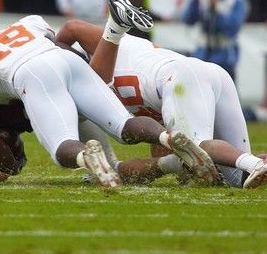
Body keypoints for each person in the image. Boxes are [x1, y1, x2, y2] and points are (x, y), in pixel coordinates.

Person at [0, 7, 221, 189]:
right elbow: (63, 46)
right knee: (123, 125)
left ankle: (85, 157)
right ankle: (169, 138)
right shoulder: (25, 26)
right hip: (65, 59)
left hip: (34, 74)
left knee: (61, 146)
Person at [56, 10, 267, 189]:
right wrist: (177, 164)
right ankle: (255, 163)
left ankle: (255, 163)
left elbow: (71, 28)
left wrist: (59, 48)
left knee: (197, 145)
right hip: (208, 73)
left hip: (179, 77)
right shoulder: (106, 67)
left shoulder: (106, 50)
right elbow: (161, 149)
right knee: (236, 178)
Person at [183, 0, 248, 81]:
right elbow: (188, 19)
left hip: (225, 57)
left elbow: (232, 28)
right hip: (202, 55)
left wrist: (216, 8)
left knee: (225, 96)